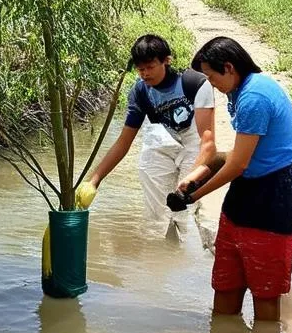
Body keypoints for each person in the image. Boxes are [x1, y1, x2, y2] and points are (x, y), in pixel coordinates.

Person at [168, 36, 292, 322]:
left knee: (265, 292)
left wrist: (194, 196)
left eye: (211, 76)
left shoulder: (254, 98)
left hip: (272, 195)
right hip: (244, 194)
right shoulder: (240, 91)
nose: (210, 84)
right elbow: (232, 156)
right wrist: (196, 176)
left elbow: (239, 164)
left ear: (229, 68)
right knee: (226, 281)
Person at [87, 35, 216, 244]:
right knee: (156, 203)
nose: (145, 74)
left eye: (150, 66)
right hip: (165, 137)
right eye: (140, 69)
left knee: (186, 202)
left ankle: (192, 246)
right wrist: (95, 180)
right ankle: (164, 251)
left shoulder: (194, 83)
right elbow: (123, 142)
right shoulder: (140, 92)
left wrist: (191, 180)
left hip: (194, 137)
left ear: (167, 60)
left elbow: (208, 141)